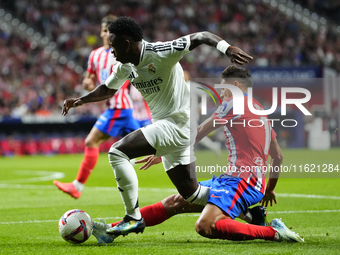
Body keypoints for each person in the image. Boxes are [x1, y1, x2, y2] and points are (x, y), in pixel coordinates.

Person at [61, 16, 253, 237]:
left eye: (113, 46)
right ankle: (250, 214)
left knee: (117, 152)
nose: (111, 52)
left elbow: (201, 36)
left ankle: (132, 218)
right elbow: (107, 88)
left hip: (177, 125)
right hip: (168, 127)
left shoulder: (162, 52)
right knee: (191, 193)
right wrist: (80, 101)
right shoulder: (124, 65)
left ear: (125, 44)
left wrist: (226, 48)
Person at [91, 65, 303, 244]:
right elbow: (278, 156)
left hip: (242, 182)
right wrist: (268, 189)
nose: (222, 93)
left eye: (224, 88)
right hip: (237, 181)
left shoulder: (234, 102)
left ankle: (273, 232)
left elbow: (199, 131)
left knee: (205, 226)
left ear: (235, 86)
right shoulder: (260, 111)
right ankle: (111, 231)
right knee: (175, 202)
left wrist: (164, 150)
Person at [53, 15, 148, 199]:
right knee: (150, 145)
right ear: (100, 31)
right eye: (104, 31)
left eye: (109, 31)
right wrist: (88, 84)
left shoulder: (121, 53)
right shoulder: (95, 55)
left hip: (118, 107)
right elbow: (89, 79)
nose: (106, 34)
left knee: (91, 142)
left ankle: (77, 186)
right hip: (116, 108)